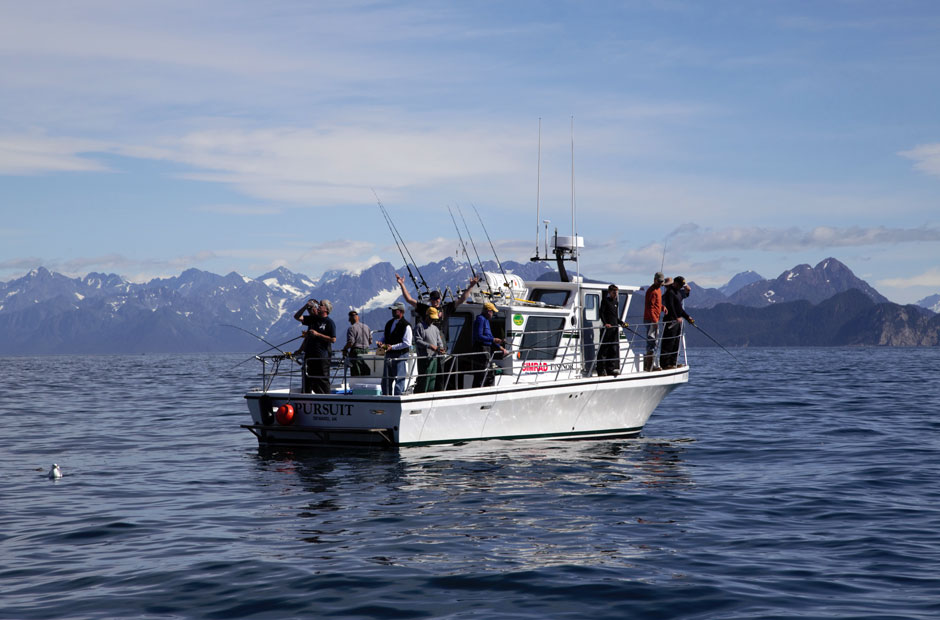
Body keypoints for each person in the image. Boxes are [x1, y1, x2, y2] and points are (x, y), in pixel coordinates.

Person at [293, 299, 336, 393]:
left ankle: (326, 399)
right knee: (307, 378)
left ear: (326, 309)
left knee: (322, 379)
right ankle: (306, 399)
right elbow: (296, 316)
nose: (318, 306)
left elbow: (333, 339)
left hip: (322, 356)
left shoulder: (329, 322)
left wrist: (318, 334)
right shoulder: (313, 319)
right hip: (309, 355)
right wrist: (305, 306)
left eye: (321, 305)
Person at [377, 301, 412, 395]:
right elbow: (385, 336)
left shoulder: (406, 326)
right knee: (385, 380)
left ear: (401, 311)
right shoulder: (389, 323)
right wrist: (381, 342)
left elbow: (407, 343)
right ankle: (386, 396)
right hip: (389, 355)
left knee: (399, 379)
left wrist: (392, 347)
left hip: (400, 355)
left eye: (395, 310)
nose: (392, 312)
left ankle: (398, 396)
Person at [471, 302, 507, 388]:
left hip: (486, 350)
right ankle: (477, 392)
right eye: (493, 312)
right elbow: (479, 336)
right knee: (480, 375)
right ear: (488, 311)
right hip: (480, 350)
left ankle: (485, 390)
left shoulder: (486, 321)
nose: (493, 314)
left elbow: (489, 336)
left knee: (488, 373)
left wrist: (500, 347)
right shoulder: (480, 319)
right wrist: (493, 340)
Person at [661, 276, 694, 370]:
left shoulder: (678, 293)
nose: (681, 287)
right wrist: (676, 317)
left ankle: (673, 362)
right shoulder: (670, 293)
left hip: (677, 321)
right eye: (680, 285)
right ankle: (665, 364)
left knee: (676, 342)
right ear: (675, 283)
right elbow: (671, 307)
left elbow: (680, 309)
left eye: (681, 285)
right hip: (670, 320)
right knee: (669, 342)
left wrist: (688, 317)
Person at [598, 284, 628, 377]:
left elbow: (615, 317)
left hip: (615, 329)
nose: (615, 293)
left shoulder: (616, 302)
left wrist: (621, 322)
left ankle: (610, 369)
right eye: (614, 292)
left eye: (617, 292)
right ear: (609, 292)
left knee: (613, 349)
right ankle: (601, 370)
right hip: (608, 329)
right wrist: (605, 323)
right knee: (604, 350)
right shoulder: (605, 301)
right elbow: (601, 313)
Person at [414, 306, 445, 393]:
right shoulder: (420, 327)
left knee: (432, 379)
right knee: (424, 380)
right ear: (427, 316)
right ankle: (420, 395)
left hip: (434, 358)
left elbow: (439, 342)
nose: (432, 321)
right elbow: (418, 341)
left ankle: (429, 395)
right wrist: (430, 346)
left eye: (434, 319)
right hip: (424, 358)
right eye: (431, 318)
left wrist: (441, 348)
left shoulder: (435, 328)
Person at [643, 272, 666, 372]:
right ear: (655, 280)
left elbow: (656, 305)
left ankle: (651, 364)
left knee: (654, 341)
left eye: (662, 282)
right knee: (652, 341)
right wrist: (654, 321)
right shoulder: (652, 291)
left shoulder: (658, 290)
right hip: (651, 320)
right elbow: (650, 308)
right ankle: (650, 366)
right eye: (660, 281)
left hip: (654, 319)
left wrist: (662, 307)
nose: (661, 283)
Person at [342, 310, 372, 377]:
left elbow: (351, 343)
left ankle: (357, 386)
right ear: (358, 317)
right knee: (366, 372)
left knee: (356, 373)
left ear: (349, 319)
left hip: (356, 352)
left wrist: (345, 349)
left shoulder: (351, 328)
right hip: (367, 351)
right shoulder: (367, 327)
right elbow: (370, 341)